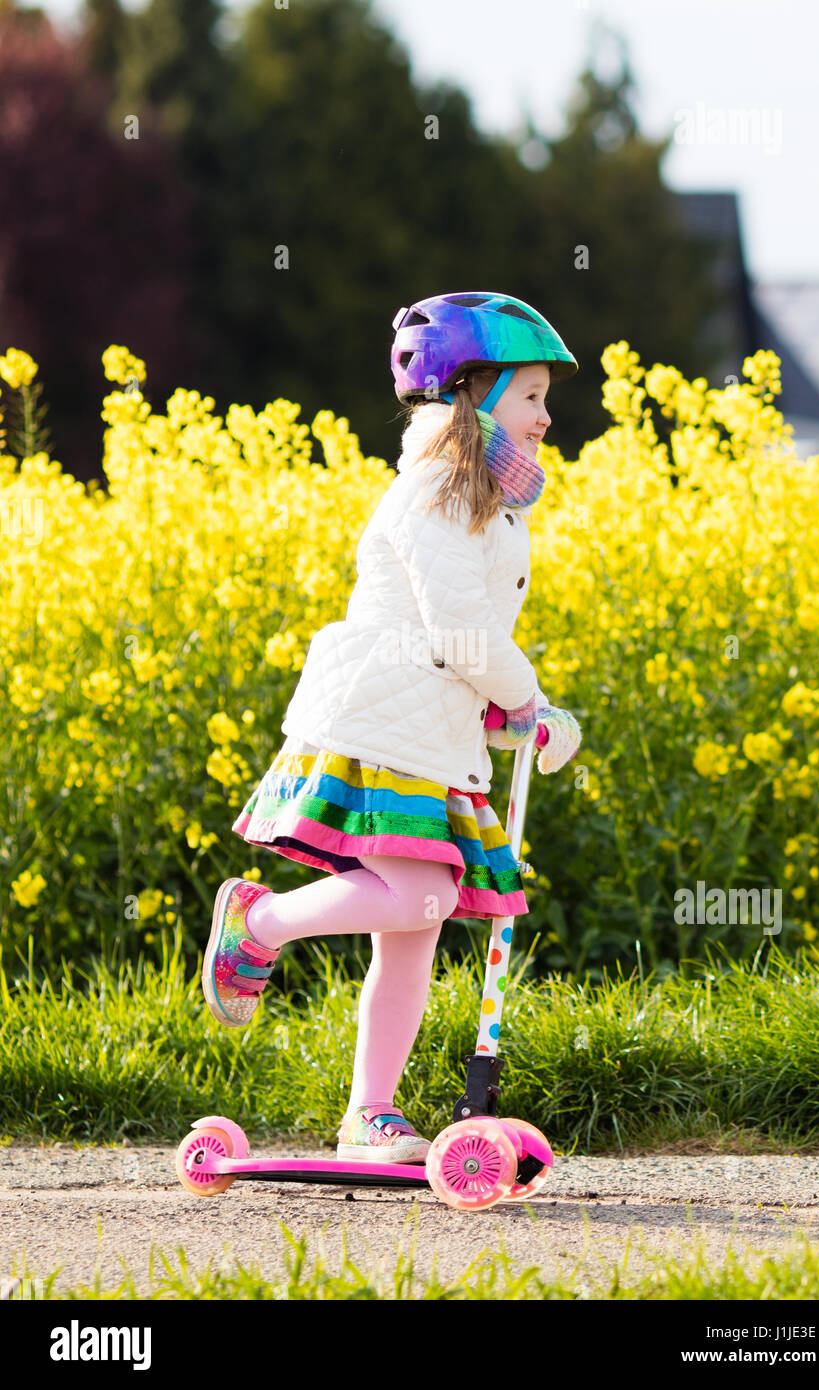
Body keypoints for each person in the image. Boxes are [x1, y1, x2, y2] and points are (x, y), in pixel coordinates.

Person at [203, 290, 583, 1164]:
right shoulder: (442, 491)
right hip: (377, 729)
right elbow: (460, 631)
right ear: (473, 395)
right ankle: (257, 925)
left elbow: (449, 648)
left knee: (409, 940)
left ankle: (369, 1115)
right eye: (530, 395)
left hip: (421, 735)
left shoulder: (482, 500)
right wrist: (526, 699)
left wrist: (504, 715)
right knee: (422, 896)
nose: (546, 415)